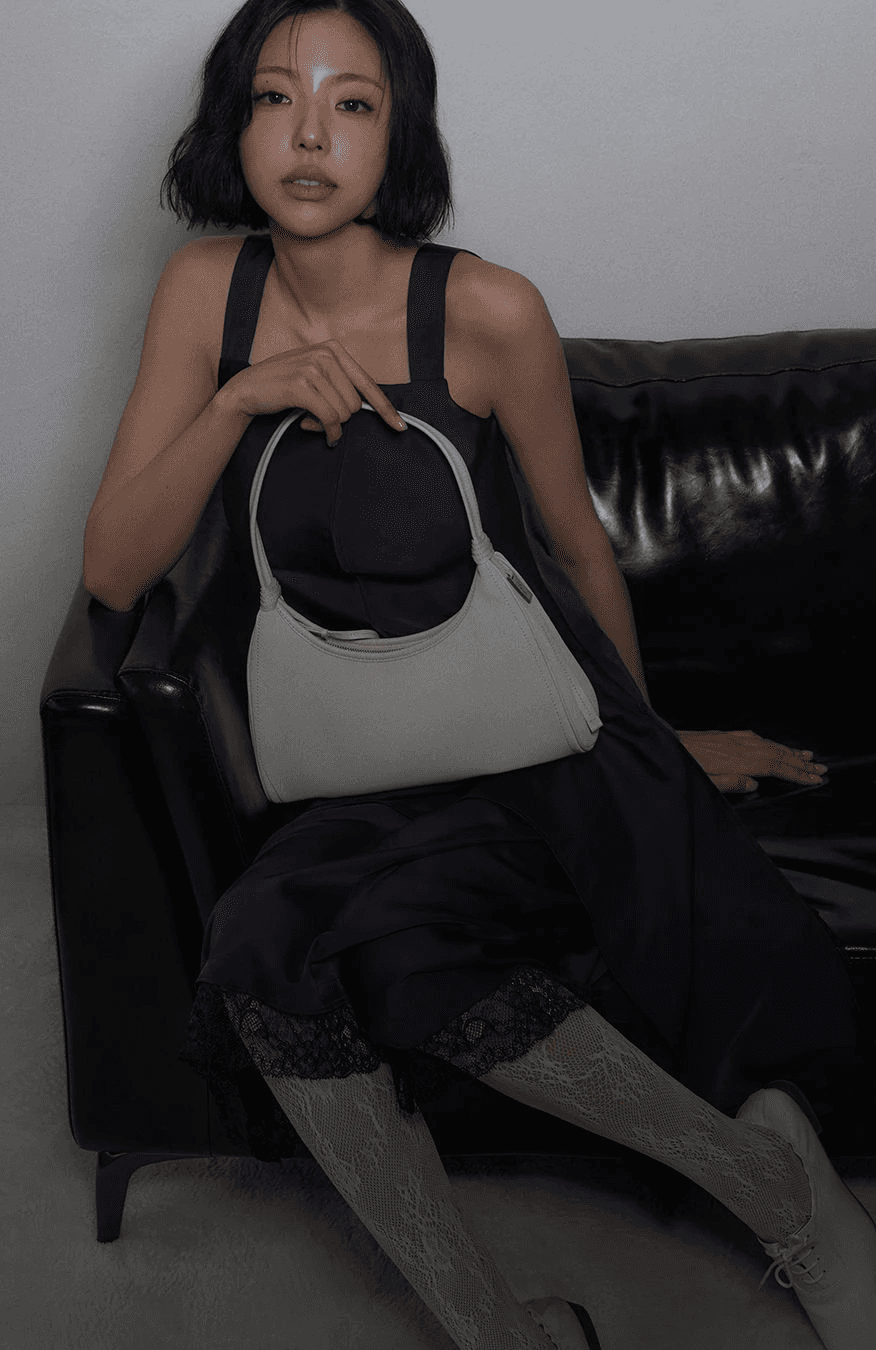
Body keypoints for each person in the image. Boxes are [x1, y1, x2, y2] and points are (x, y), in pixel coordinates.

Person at [82, 2, 876, 1346]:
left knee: (380, 951)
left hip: (540, 754)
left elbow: (577, 548)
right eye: (276, 97)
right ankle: (498, 1325)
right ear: (233, 123)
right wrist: (237, 400)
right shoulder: (203, 295)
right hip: (361, 763)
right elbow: (113, 570)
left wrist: (655, 742)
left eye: (353, 102)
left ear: (401, 135)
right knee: (267, 947)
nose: (311, 134)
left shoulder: (490, 310)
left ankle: (775, 1195)